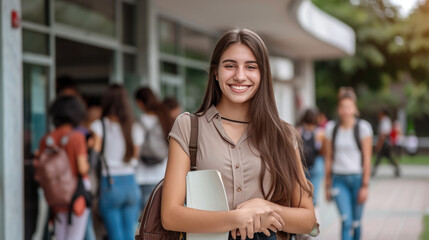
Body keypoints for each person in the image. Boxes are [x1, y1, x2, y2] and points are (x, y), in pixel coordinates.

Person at [162, 29, 317, 240]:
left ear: (263, 74)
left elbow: (308, 220)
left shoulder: (283, 134)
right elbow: (170, 215)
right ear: (216, 72)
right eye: (230, 65)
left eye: (251, 67)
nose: (240, 76)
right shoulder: (188, 127)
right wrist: (237, 218)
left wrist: (265, 207)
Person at [91, 84, 143, 240]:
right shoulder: (135, 126)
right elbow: (135, 157)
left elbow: (94, 158)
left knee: (116, 236)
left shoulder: (99, 126)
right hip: (131, 184)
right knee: (130, 234)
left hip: (110, 183)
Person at [37, 95, 90, 240]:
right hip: (76, 194)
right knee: (75, 236)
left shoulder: (46, 139)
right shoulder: (77, 137)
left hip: (55, 194)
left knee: (59, 234)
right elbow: (82, 168)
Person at [324, 87, 373, 240]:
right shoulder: (331, 128)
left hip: (358, 179)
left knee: (356, 223)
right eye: (342, 107)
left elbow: (367, 158)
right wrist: (327, 184)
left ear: (354, 108)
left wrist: (365, 186)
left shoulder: (363, 128)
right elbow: (329, 157)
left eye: (349, 107)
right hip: (339, 180)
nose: (345, 110)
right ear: (339, 109)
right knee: (346, 221)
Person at [135, 87, 174, 208]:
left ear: (140, 103)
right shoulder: (165, 119)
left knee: (142, 220)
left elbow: (136, 148)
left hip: (143, 176)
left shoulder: (139, 122)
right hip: (162, 174)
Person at [297, 109, 325, 212]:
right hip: (316, 164)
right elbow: (322, 151)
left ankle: (305, 215)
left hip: (302, 164)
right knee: (314, 194)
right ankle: (314, 217)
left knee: (302, 195)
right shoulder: (319, 133)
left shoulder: (298, 131)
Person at [372, 109, 400, 177]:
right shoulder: (385, 120)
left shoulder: (385, 120)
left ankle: (373, 171)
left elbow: (384, 134)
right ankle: (397, 169)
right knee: (385, 157)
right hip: (385, 143)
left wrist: (379, 145)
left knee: (383, 157)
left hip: (385, 144)